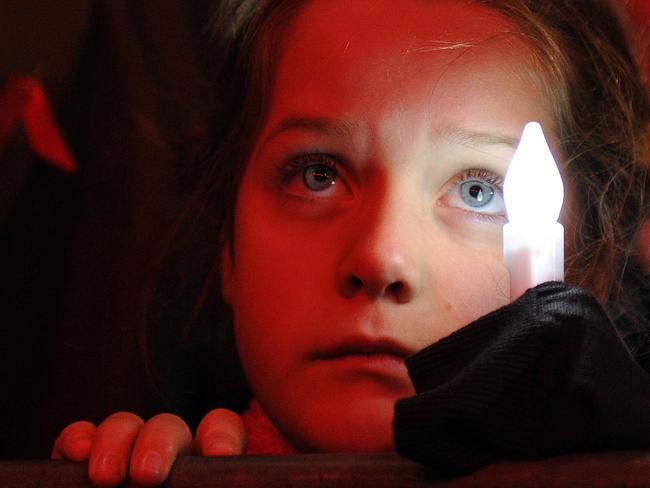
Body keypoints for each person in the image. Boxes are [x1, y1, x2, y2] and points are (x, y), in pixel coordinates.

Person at [50, 0, 650, 485]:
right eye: (318, 175)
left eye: (477, 191)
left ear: (584, 267)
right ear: (227, 246)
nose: (380, 258)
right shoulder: (168, 468)